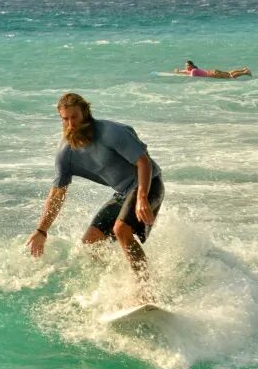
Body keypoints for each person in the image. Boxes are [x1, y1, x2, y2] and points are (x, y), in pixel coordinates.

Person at [26, 93, 165, 290]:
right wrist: (42, 230)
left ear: (85, 113)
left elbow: (143, 161)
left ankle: (146, 288)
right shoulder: (66, 153)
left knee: (121, 229)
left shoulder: (111, 132)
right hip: (124, 192)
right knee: (90, 243)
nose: (71, 124)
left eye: (75, 117)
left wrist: (142, 196)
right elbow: (57, 193)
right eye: (65, 119)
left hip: (149, 183)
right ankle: (116, 286)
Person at [173, 60, 252, 79]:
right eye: (185, 66)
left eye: (188, 65)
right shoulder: (193, 69)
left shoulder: (193, 71)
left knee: (230, 77)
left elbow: (190, 76)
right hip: (213, 71)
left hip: (213, 74)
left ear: (192, 65)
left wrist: (181, 74)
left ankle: (245, 72)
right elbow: (186, 71)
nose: (186, 67)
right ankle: (243, 70)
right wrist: (179, 71)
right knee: (229, 73)